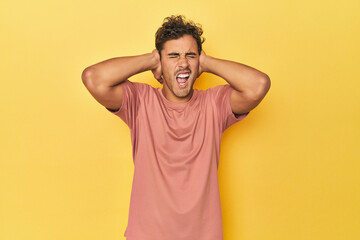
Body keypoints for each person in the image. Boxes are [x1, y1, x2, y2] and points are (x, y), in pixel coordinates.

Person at [82, 15, 270, 240]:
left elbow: (258, 85)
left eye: (190, 55)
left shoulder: (214, 104)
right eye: (173, 56)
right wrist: (151, 59)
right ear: (160, 62)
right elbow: (93, 78)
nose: (183, 63)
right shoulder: (140, 101)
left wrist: (207, 63)